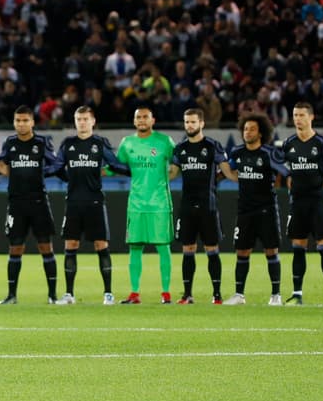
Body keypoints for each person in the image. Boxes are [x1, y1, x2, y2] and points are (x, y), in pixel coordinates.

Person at [55, 106, 129, 305]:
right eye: (79, 119)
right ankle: (69, 294)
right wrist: (66, 178)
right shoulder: (68, 143)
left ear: (93, 121)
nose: (82, 122)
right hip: (73, 202)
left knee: (101, 246)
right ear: (75, 121)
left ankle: (108, 294)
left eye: (86, 119)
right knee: (70, 245)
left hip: (95, 201)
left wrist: (135, 171)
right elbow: (56, 167)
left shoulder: (99, 143)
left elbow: (114, 164)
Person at [0, 106, 62, 304]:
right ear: (14, 122)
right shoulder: (10, 143)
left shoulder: (42, 142)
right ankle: (12, 295)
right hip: (16, 203)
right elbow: (0, 166)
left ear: (32, 122)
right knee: (15, 248)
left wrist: (41, 172)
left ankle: (52, 296)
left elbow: (56, 164)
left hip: (39, 201)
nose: (21, 124)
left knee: (46, 247)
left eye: (25, 120)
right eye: (17, 120)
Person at [223, 114, 289, 305]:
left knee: (271, 251)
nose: (247, 132)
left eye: (252, 129)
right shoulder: (237, 152)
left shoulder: (268, 153)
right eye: (245, 129)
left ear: (260, 133)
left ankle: (276, 295)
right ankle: (239, 295)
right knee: (242, 252)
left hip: (266, 209)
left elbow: (285, 171)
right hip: (245, 209)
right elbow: (230, 172)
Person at [169, 108, 233, 304]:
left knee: (211, 249)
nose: (189, 125)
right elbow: (171, 174)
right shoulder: (180, 149)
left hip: (208, 206)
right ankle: (187, 294)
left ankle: (217, 295)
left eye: (193, 122)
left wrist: (249, 178)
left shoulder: (213, 146)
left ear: (201, 124)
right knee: (187, 249)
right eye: (187, 122)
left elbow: (228, 172)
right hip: (187, 206)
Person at [116, 107, 177, 304]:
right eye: (138, 117)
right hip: (136, 203)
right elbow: (116, 167)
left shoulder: (164, 142)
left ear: (153, 120)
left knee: (163, 247)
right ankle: (134, 293)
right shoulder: (127, 144)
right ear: (134, 122)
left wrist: (167, 179)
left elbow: (178, 164)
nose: (142, 120)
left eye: (145, 117)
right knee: (134, 247)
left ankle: (166, 293)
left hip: (159, 203)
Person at [282, 103, 323, 306]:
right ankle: (297, 294)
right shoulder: (288, 143)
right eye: (295, 115)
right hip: (297, 201)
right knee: (298, 245)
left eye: (301, 115)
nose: (298, 119)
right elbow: (284, 167)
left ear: (311, 117)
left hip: (317, 201)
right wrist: (287, 175)